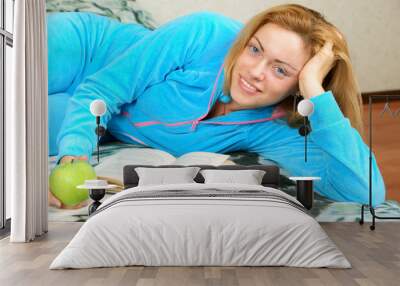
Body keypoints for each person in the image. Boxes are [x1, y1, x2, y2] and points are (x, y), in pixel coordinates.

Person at [47, 4, 385, 208]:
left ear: (298, 89)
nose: (254, 72)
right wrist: (74, 149)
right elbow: (101, 89)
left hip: (102, 123)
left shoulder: (273, 127)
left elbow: (364, 191)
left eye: (281, 69)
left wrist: (316, 90)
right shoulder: (204, 33)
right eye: (255, 49)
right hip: (87, 50)